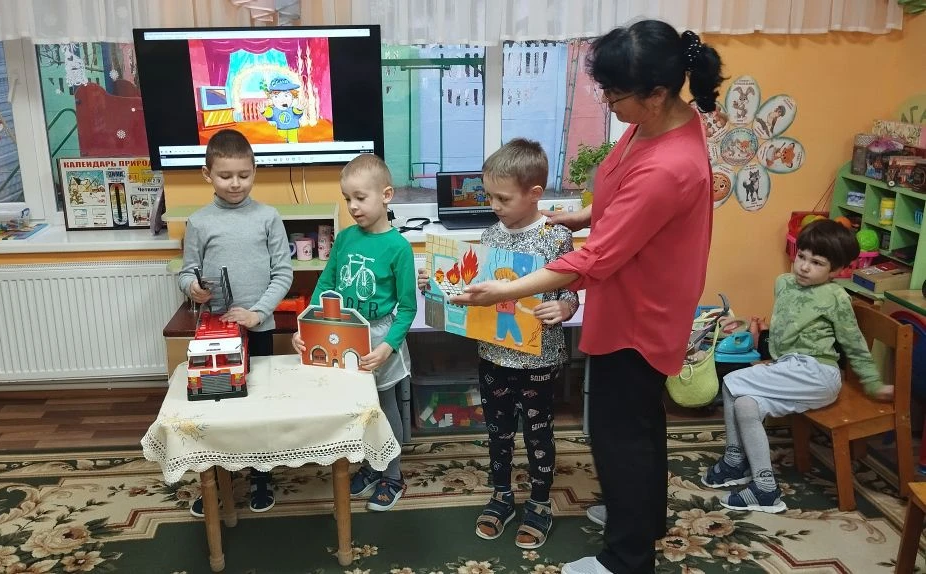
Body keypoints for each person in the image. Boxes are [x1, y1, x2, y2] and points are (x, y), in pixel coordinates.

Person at [450, 20, 726, 574]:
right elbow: (623, 200)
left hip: (641, 314)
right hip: (636, 296)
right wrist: (586, 215)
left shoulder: (670, 164)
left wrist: (506, 289)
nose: (608, 104)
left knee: (619, 435)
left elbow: (596, 259)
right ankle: (641, 518)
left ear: (656, 93)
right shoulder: (656, 124)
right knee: (640, 423)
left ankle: (626, 559)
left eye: (614, 95)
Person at [419, 138, 578, 548]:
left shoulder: (556, 237)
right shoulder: (490, 234)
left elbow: (570, 288)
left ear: (535, 193)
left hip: (539, 357)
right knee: (498, 432)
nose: (493, 205)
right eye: (488, 196)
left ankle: (540, 502)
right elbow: (473, 290)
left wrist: (564, 307)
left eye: (502, 198)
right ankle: (502, 495)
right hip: (493, 354)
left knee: (538, 433)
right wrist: (435, 284)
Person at [702, 219, 892, 513]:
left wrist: (873, 383)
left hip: (817, 373)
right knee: (746, 405)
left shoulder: (836, 297)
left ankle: (734, 460)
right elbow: (787, 327)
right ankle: (765, 488)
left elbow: (854, 343)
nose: (804, 267)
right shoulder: (783, 283)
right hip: (789, 368)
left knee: (731, 381)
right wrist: (757, 336)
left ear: (836, 270)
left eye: (817, 263)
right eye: (802, 256)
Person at [291, 153, 416, 511]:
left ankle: (392, 475)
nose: (353, 206)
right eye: (348, 199)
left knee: (384, 408)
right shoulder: (345, 238)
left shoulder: (399, 248)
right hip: (341, 332)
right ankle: (371, 466)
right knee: (356, 408)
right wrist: (307, 325)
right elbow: (326, 284)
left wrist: (389, 347)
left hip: (380, 340)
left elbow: (407, 308)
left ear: (386, 195)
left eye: (360, 197)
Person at [178, 129, 293, 517]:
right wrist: (193, 288)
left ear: (254, 171)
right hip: (216, 332)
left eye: (244, 175)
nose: (235, 183)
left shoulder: (268, 217)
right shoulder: (198, 222)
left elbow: (283, 273)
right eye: (225, 175)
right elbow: (187, 271)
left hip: (258, 329)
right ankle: (215, 480)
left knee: (259, 403)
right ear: (207, 174)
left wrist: (258, 312)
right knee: (215, 406)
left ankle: (262, 475)